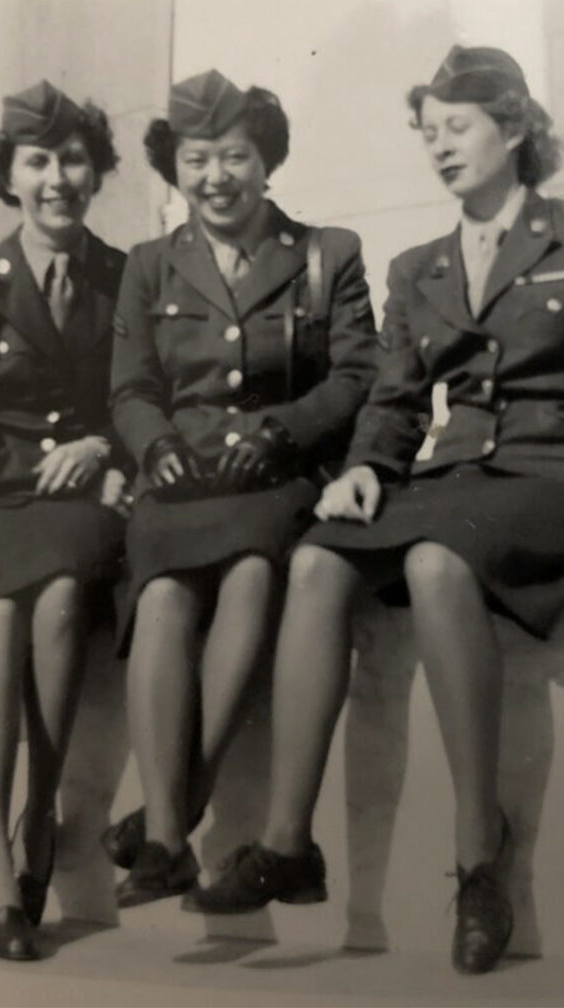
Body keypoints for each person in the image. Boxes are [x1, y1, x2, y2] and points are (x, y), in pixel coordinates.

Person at [184, 46, 564, 974]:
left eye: (457, 128)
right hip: (456, 478)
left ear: (517, 128)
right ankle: (289, 843)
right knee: (323, 557)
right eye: (427, 133)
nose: (438, 147)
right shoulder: (419, 268)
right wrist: (369, 466)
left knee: (436, 560)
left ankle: (478, 861)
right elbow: (400, 403)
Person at [105, 69, 378, 907]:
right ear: (174, 167)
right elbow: (131, 388)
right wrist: (153, 447)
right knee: (160, 598)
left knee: (255, 574)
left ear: (267, 162)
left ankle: (168, 817)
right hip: (182, 479)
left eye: (234, 156)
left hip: (273, 475)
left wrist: (286, 431)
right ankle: (165, 842)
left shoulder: (327, 253)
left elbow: (359, 371)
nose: (215, 177)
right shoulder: (151, 265)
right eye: (196, 159)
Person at [0, 80, 129, 961]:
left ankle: (41, 810)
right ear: (8, 175)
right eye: (37, 162)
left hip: (81, 499)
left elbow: (146, 397)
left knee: (60, 603)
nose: (56, 180)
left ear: (96, 171)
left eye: (72, 159)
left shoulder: (129, 276)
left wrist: (103, 445)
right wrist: (54, 468)